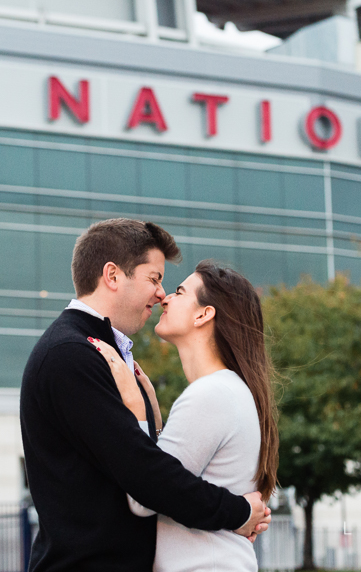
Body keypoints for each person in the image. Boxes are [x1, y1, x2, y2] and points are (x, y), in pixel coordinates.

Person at [20, 219, 270, 572]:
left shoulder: (104, 354)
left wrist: (147, 418)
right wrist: (240, 511)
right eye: (154, 278)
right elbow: (148, 477)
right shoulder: (71, 354)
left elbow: (143, 468)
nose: (161, 293)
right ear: (113, 275)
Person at [92, 260, 279, 571]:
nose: (165, 298)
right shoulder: (225, 390)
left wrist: (135, 410)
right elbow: (175, 476)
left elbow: (145, 497)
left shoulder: (212, 394)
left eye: (180, 292)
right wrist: (153, 415)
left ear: (204, 314)